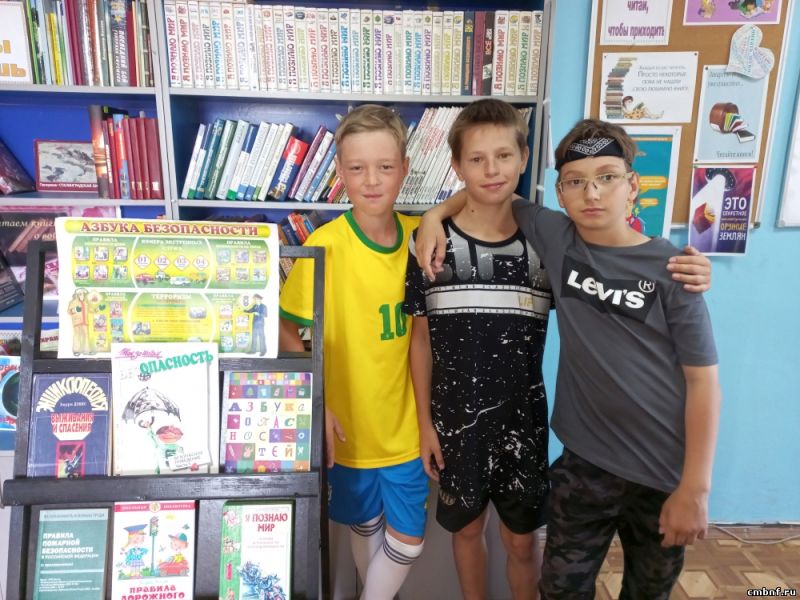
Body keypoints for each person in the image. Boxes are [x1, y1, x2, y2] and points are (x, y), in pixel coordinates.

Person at [418, 115, 720, 599]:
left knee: (648, 591)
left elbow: (704, 382)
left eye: (607, 178)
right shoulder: (557, 238)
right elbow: (492, 191)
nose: (592, 193)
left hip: (661, 470)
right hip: (584, 465)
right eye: (576, 182)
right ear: (560, 194)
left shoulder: (674, 271)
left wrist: (696, 488)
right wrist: (432, 216)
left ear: (632, 186)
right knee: (560, 589)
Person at [404, 98, 551, 600]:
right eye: (477, 159)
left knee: (522, 541)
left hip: (524, 424)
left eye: (504, 155)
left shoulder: (546, 243)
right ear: (457, 166)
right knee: (467, 531)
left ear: (524, 157)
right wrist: (425, 424)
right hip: (454, 423)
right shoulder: (430, 244)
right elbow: (420, 339)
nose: (492, 170)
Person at [279, 104, 427, 600]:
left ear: (404, 169)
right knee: (365, 527)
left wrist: (440, 214)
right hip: (347, 430)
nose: (372, 180)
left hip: (406, 429)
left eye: (385, 166)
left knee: (409, 539)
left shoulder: (422, 236)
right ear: (339, 172)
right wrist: (315, 401)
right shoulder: (324, 246)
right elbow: (283, 326)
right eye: (358, 168)